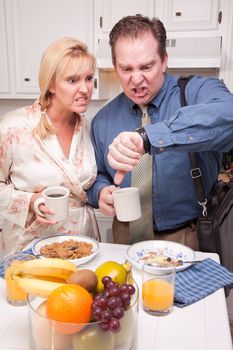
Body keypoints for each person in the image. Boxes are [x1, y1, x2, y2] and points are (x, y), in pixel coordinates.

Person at [87, 15, 233, 250]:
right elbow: (97, 175)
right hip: (124, 236)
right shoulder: (103, 119)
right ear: (115, 66)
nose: (136, 80)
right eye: (126, 69)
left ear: (164, 61)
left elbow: (229, 115)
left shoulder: (196, 92)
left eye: (146, 67)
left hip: (187, 237)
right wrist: (100, 192)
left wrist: (148, 137)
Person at [0, 37, 100, 256]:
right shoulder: (15, 127)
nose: (85, 89)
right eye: (72, 80)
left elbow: (88, 185)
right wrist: (31, 201)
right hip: (29, 247)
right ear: (51, 84)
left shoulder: (88, 128)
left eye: (89, 78)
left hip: (82, 246)